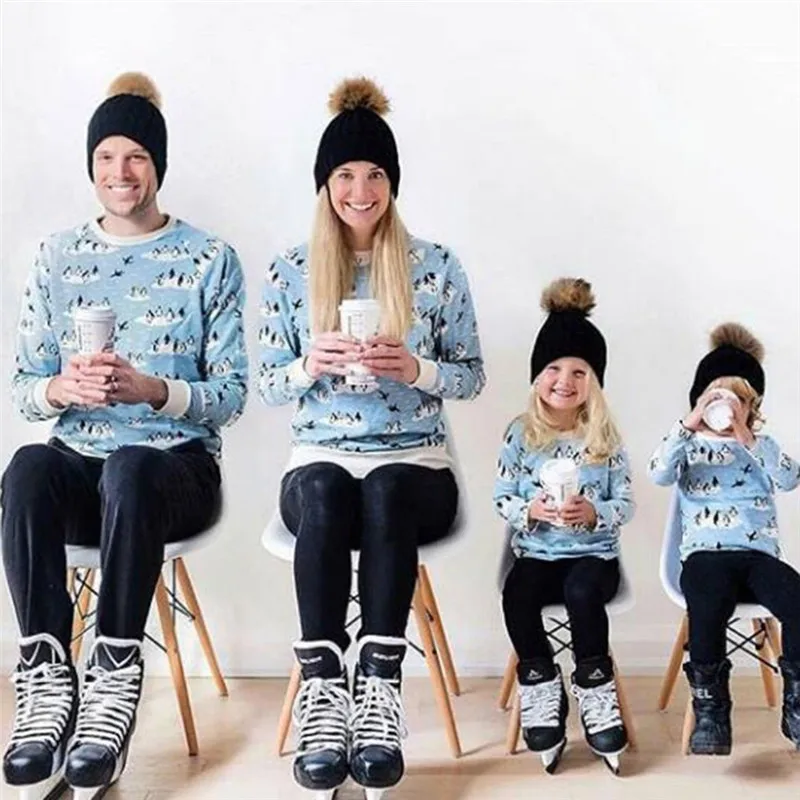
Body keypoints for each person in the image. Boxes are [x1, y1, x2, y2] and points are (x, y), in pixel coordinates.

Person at [1, 72, 248, 799]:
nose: (120, 172)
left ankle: (113, 677)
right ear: (91, 165)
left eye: (136, 156)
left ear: (157, 165)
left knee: (131, 468)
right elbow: (21, 386)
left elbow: (231, 397)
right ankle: (47, 679)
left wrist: (152, 390)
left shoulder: (210, 259)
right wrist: (59, 390)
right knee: (26, 468)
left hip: (173, 472)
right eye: (106, 156)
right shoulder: (56, 258)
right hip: (81, 466)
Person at [258, 77, 485, 799]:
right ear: (325, 185)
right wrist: (308, 365)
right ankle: (327, 694)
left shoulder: (436, 267)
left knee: (386, 487)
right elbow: (265, 386)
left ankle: (380, 689)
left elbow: (472, 377)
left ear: (393, 182)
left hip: (416, 467)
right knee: (328, 487)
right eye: (346, 175)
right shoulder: (291, 270)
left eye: (376, 174)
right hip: (319, 465)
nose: (361, 191)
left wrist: (417, 369)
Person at [494, 278, 634, 774]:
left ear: (594, 381)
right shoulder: (519, 434)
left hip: (594, 557)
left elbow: (626, 503)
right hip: (538, 553)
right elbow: (502, 497)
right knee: (517, 594)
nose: (565, 381)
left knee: (582, 591)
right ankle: (540, 683)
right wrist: (530, 510)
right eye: (553, 368)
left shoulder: (606, 438)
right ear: (537, 376)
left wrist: (594, 513)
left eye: (579, 371)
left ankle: (595, 688)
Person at [648, 322, 800, 755]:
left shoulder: (760, 446)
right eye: (717, 397)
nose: (727, 408)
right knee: (707, 602)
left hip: (757, 558)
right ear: (700, 399)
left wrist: (749, 438)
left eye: (739, 400)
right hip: (704, 557)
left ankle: (796, 702)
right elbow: (658, 472)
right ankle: (711, 708)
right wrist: (689, 424)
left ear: (753, 407)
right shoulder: (687, 447)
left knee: (796, 599)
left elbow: (790, 479)